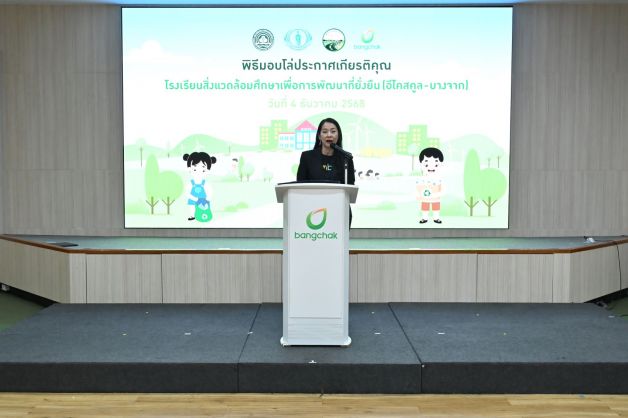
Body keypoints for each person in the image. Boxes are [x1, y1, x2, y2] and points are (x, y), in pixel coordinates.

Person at [296, 117, 355, 225]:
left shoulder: (346, 159)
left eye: (333, 131)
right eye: (324, 132)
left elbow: (350, 187)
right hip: (311, 210)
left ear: (338, 135)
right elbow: (300, 185)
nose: (329, 135)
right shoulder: (307, 157)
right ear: (319, 136)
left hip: (339, 210)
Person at [184, 151, 217, 222]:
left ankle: (203, 216)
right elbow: (187, 193)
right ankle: (192, 215)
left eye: (203, 170)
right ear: (189, 169)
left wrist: (208, 198)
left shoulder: (205, 184)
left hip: (203, 200)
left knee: (203, 209)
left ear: (208, 170)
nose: (198, 172)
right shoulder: (190, 183)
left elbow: (209, 191)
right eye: (195, 169)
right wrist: (193, 198)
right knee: (192, 207)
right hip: (193, 199)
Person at [416, 147, 444, 224]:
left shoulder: (439, 179)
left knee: (436, 208)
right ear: (421, 164)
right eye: (426, 164)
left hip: (436, 198)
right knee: (425, 207)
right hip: (424, 198)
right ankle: (424, 218)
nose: (431, 167)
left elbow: (442, 189)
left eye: (436, 164)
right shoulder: (421, 179)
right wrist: (418, 195)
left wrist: (438, 194)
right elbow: (418, 188)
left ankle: (436, 218)